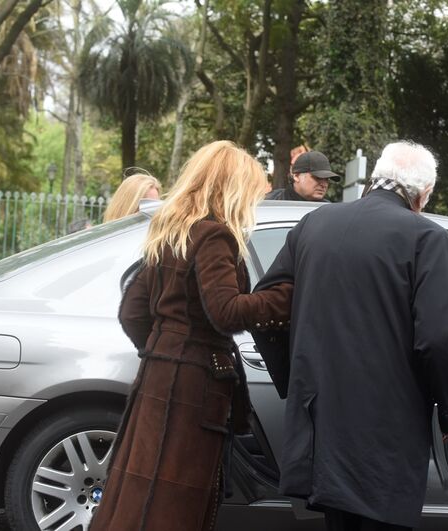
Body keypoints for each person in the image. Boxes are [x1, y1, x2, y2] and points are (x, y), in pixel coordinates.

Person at [253, 141, 448, 531]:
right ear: (422, 195)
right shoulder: (427, 238)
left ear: (375, 177)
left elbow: (265, 309)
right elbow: (439, 340)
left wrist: (297, 379)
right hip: (386, 433)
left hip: (321, 425)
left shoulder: (313, 225)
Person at [90, 141, 292, 531]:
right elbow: (227, 312)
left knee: (138, 494)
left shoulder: (172, 229)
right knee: (177, 501)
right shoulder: (215, 235)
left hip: (158, 378)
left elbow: (133, 312)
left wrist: (166, 348)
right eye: (251, 189)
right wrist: (284, 297)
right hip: (195, 386)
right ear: (230, 187)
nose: (255, 200)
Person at [265, 150, 340, 201]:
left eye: (327, 179)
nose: (324, 184)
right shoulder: (269, 203)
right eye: (318, 178)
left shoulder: (327, 210)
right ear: (296, 176)